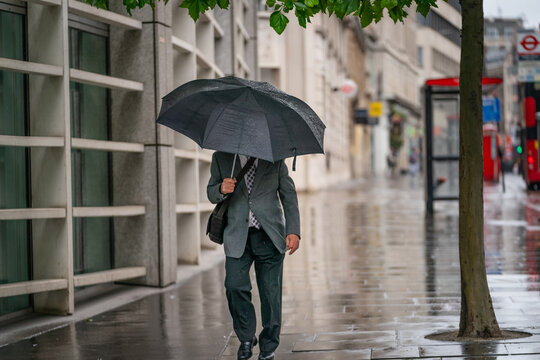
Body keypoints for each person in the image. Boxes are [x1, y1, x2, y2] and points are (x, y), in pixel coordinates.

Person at [207, 152, 301, 360]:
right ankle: (246, 338)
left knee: (270, 294)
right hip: (237, 235)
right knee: (234, 286)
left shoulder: (275, 159)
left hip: (269, 235)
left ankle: (268, 347)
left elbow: (288, 194)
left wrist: (293, 230)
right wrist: (221, 189)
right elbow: (210, 191)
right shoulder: (221, 158)